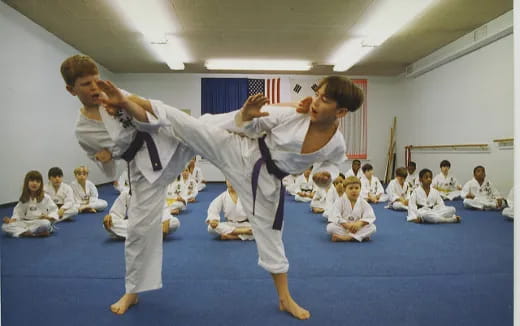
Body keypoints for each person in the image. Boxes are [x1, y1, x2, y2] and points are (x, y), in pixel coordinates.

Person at [96, 75, 364, 320]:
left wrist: (324, 176)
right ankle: (122, 98)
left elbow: (332, 162)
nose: (315, 101)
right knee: (185, 122)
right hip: (241, 151)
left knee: (272, 237)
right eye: (317, 94)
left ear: (340, 112)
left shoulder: (336, 142)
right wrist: (247, 115)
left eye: (324, 100)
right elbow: (251, 125)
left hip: (267, 183)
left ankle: (285, 298)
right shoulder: (295, 114)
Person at [62, 54, 197, 315]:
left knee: (212, 128)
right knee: (137, 232)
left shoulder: (113, 93)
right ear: (71, 90)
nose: (94, 88)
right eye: (86, 84)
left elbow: (153, 118)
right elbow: (110, 171)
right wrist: (104, 159)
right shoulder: (84, 131)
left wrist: (123, 101)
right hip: (142, 169)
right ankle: (132, 293)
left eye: (96, 81)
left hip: (167, 142)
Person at [103, 189, 180, 239]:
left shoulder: (156, 189)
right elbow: (115, 213)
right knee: (109, 224)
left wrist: (165, 220)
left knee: (174, 222)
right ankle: (150, 236)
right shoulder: (126, 193)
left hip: (152, 222)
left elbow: (164, 211)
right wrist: (110, 217)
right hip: (134, 224)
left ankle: (136, 235)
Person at [2, 171, 57, 237]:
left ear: (41, 184)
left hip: (39, 222)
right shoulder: (24, 197)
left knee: (46, 223)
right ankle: (34, 233)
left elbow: (54, 209)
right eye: (32, 180)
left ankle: (24, 232)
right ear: (26, 182)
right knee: (5, 227)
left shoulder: (45, 197)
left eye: (38, 181)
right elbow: (18, 212)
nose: (34, 183)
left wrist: (48, 217)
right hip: (25, 222)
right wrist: (12, 220)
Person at [326, 176, 376, 242]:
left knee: (372, 227)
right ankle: (360, 236)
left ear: (360, 189)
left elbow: (369, 216)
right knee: (330, 227)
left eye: (356, 188)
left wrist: (360, 223)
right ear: (344, 189)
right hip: (344, 227)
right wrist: (346, 224)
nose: (354, 190)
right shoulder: (340, 201)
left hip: (357, 227)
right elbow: (335, 215)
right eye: (351, 188)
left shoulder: (363, 202)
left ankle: (347, 237)